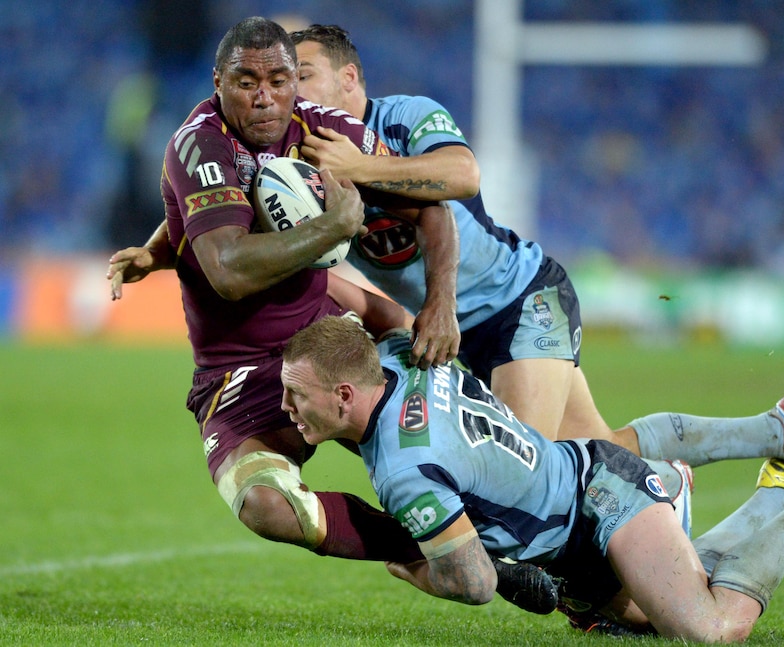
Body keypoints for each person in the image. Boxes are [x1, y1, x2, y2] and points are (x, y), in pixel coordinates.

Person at [109, 22, 784, 560]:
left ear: (349, 79)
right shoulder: (293, 148)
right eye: (269, 79)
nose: (289, 93)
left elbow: (458, 184)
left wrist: (394, 232)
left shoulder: (389, 124)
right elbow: (219, 214)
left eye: (300, 75)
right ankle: (772, 434)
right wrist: (156, 249)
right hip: (451, 319)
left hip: (519, 300)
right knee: (589, 451)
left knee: (520, 478)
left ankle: (651, 518)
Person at [106, 15, 557, 615]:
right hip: (236, 370)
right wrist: (333, 226)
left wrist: (440, 302)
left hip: (325, 341)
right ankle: (451, 553)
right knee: (268, 506)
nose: (263, 96)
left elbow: (434, 206)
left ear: (296, 81)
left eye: (278, 80)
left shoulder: (326, 131)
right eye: (245, 81)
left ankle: (578, 546)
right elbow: (228, 269)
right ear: (218, 82)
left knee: (453, 437)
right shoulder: (199, 144)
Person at [279, 315, 784, 642]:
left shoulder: (405, 471)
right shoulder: (402, 354)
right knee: (658, 618)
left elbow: (476, 584)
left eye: (295, 395)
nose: (285, 407)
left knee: (708, 631)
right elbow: (380, 316)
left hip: (601, 497)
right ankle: (773, 495)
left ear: (346, 394)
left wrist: (408, 568)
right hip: (570, 528)